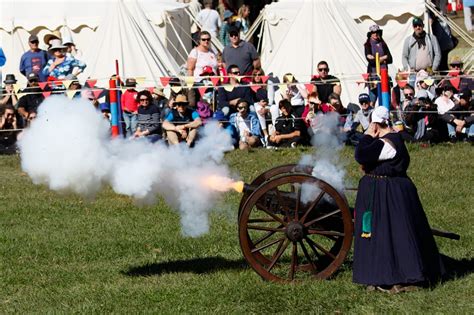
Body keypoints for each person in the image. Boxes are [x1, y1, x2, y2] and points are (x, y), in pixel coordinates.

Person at [353, 106, 445, 293]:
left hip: (390, 194)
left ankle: (402, 276)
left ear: (377, 125)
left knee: (396, 235)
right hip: (379, 192)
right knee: (378, 235)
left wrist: (368, 135)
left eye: (372, 125)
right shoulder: (383, 141)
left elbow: (360, 154)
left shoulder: (388, 143)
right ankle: (378, 274)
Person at [364, 25, 393, 103]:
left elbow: (390, 59)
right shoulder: (367, 45)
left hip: (384, 74)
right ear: (370, 34)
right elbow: (371, 62)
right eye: (373, 33)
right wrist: (383, 58)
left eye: (377, 32)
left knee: (386, 97)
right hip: (373, 76)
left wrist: (376, 58)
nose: (375, 34)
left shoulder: (383, 44)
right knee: (372, 99)